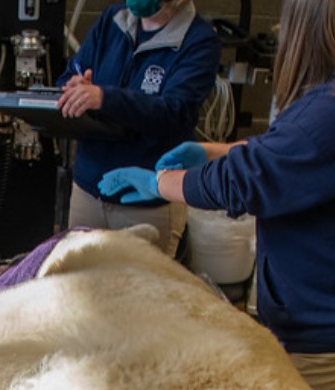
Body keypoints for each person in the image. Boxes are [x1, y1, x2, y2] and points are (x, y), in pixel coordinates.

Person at [98, 0, 335, 390]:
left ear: (310, 24)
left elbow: (247, 182)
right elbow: (288, 150)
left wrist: (161, 182)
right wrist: (213, 150)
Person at [57, 0, 220, 256]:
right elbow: (70, 74)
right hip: (88, 190)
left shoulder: (198, 40)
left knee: (143, 291)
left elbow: (175, 112)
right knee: (79, 288)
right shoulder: (113, 18)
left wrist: (105, 98)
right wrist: (74, 85)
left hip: (146, 201)